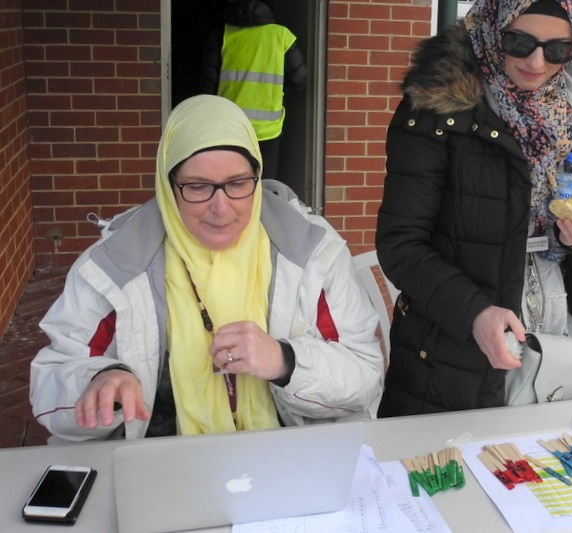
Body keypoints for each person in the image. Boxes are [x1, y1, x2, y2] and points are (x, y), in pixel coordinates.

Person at [30, 95, 383, 442]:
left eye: (237, 184)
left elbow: (364, 377)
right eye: (198, 186)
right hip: (162, 464)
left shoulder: (312, 255)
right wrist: (99, 380)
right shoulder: (117, 267)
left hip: (284, 459)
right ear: (169, 187)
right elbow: (53, 378)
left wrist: (285, 360)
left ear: (257, 178)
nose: (221, 207)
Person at [375, 0, 572, 417]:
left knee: (557, 468)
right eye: (519, 41)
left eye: (557, 50)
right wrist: (474, 311)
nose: (536, 61)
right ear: (496, 26)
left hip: (562, 326)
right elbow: (401, 244)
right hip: (452, 345)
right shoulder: (438, 106)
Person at [200, 0, 307, 181]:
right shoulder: (281, 36)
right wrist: (277, 97)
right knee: (264, 187)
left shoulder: (222, 35)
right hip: (268, 130)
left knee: (232, 183)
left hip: (230, 127)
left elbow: (207, 86)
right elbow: (299, 78)